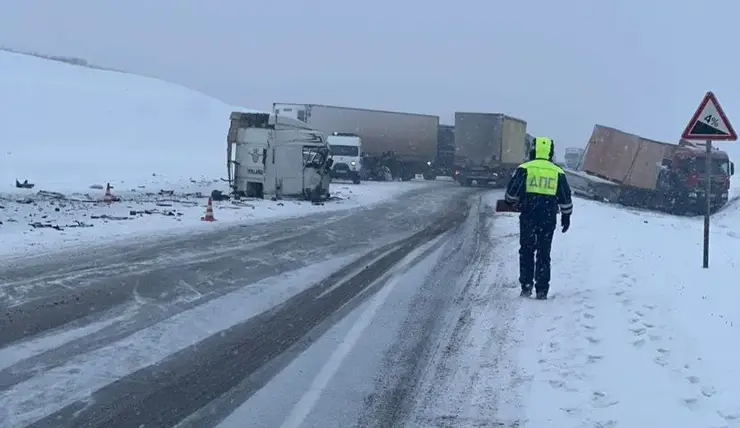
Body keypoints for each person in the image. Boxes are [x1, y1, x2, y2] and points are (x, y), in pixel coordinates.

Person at [504, 136, 573, 300]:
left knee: (526, 250)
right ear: (550, 152)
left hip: (528, 216)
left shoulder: (524, 169)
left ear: (533, 150)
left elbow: (511, 194)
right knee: (544, 253)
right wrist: (566, 216)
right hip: (548, 218)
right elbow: (565, 198)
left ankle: (526, 286)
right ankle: (542, 290)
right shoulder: (558, 172)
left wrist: (512, 202)